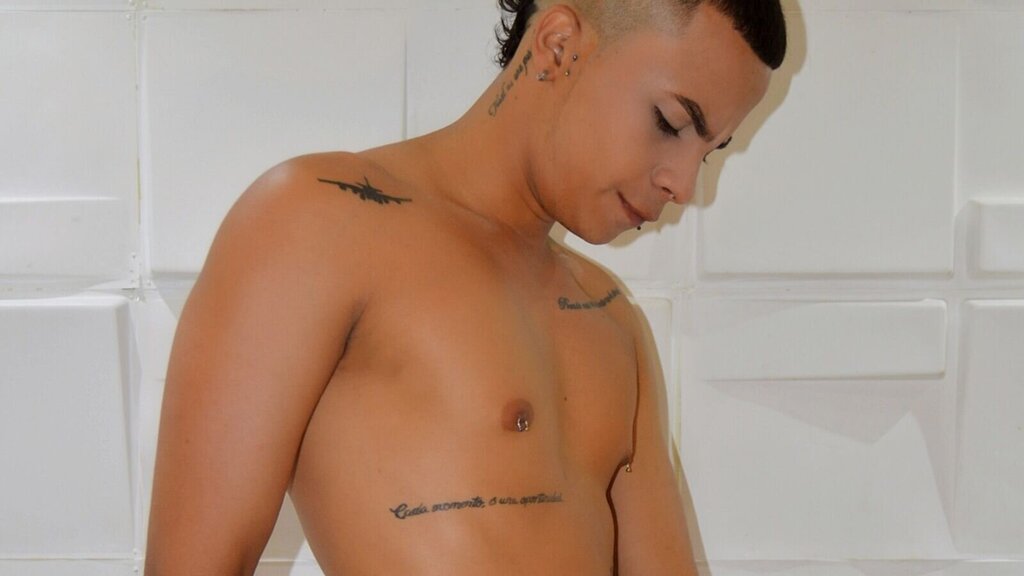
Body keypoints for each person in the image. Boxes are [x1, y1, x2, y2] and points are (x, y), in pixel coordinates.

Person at [144, 0, 786, 574]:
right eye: (671, 122)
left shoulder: (612, 319)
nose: (684, 183)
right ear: (558, 45)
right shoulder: (320, 223)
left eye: (710, 151)